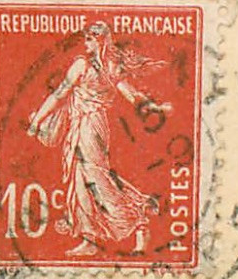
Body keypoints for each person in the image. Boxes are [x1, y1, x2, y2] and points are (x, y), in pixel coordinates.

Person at [24, 21, 172, 257]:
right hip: (93, 125)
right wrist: (154, 106)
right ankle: (91, 236)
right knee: (85, 177)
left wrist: (36, 121)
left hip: (86, 125)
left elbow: (59, 95)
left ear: (100, 41)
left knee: (94, 178)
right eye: (86, 39)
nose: (86, 44)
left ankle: (136, 217)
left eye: (90, 40)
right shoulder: (112, 66)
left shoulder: (83, 65)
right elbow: (131, 94)